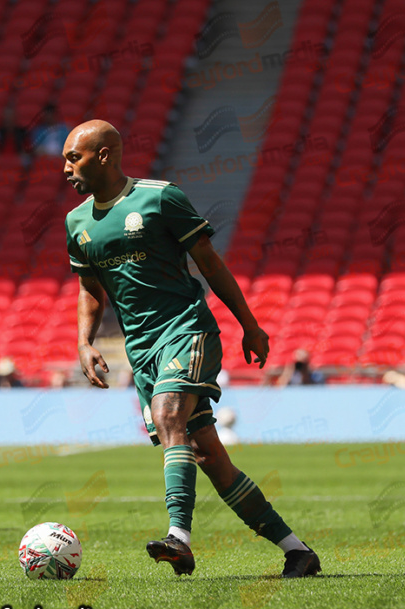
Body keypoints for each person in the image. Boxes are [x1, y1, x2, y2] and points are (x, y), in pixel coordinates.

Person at [62, 120, 320, 578]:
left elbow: (210, 264)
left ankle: (178, 538)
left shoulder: (160, 198)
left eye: (73, 157)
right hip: (140, 350)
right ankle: (297, 551)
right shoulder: (76, 221)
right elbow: (89, 287)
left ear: (104, 155)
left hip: (186, 329)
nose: (65, 168)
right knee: (209, 457)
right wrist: (83, 342)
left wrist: (250, 325)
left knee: (168, 417)